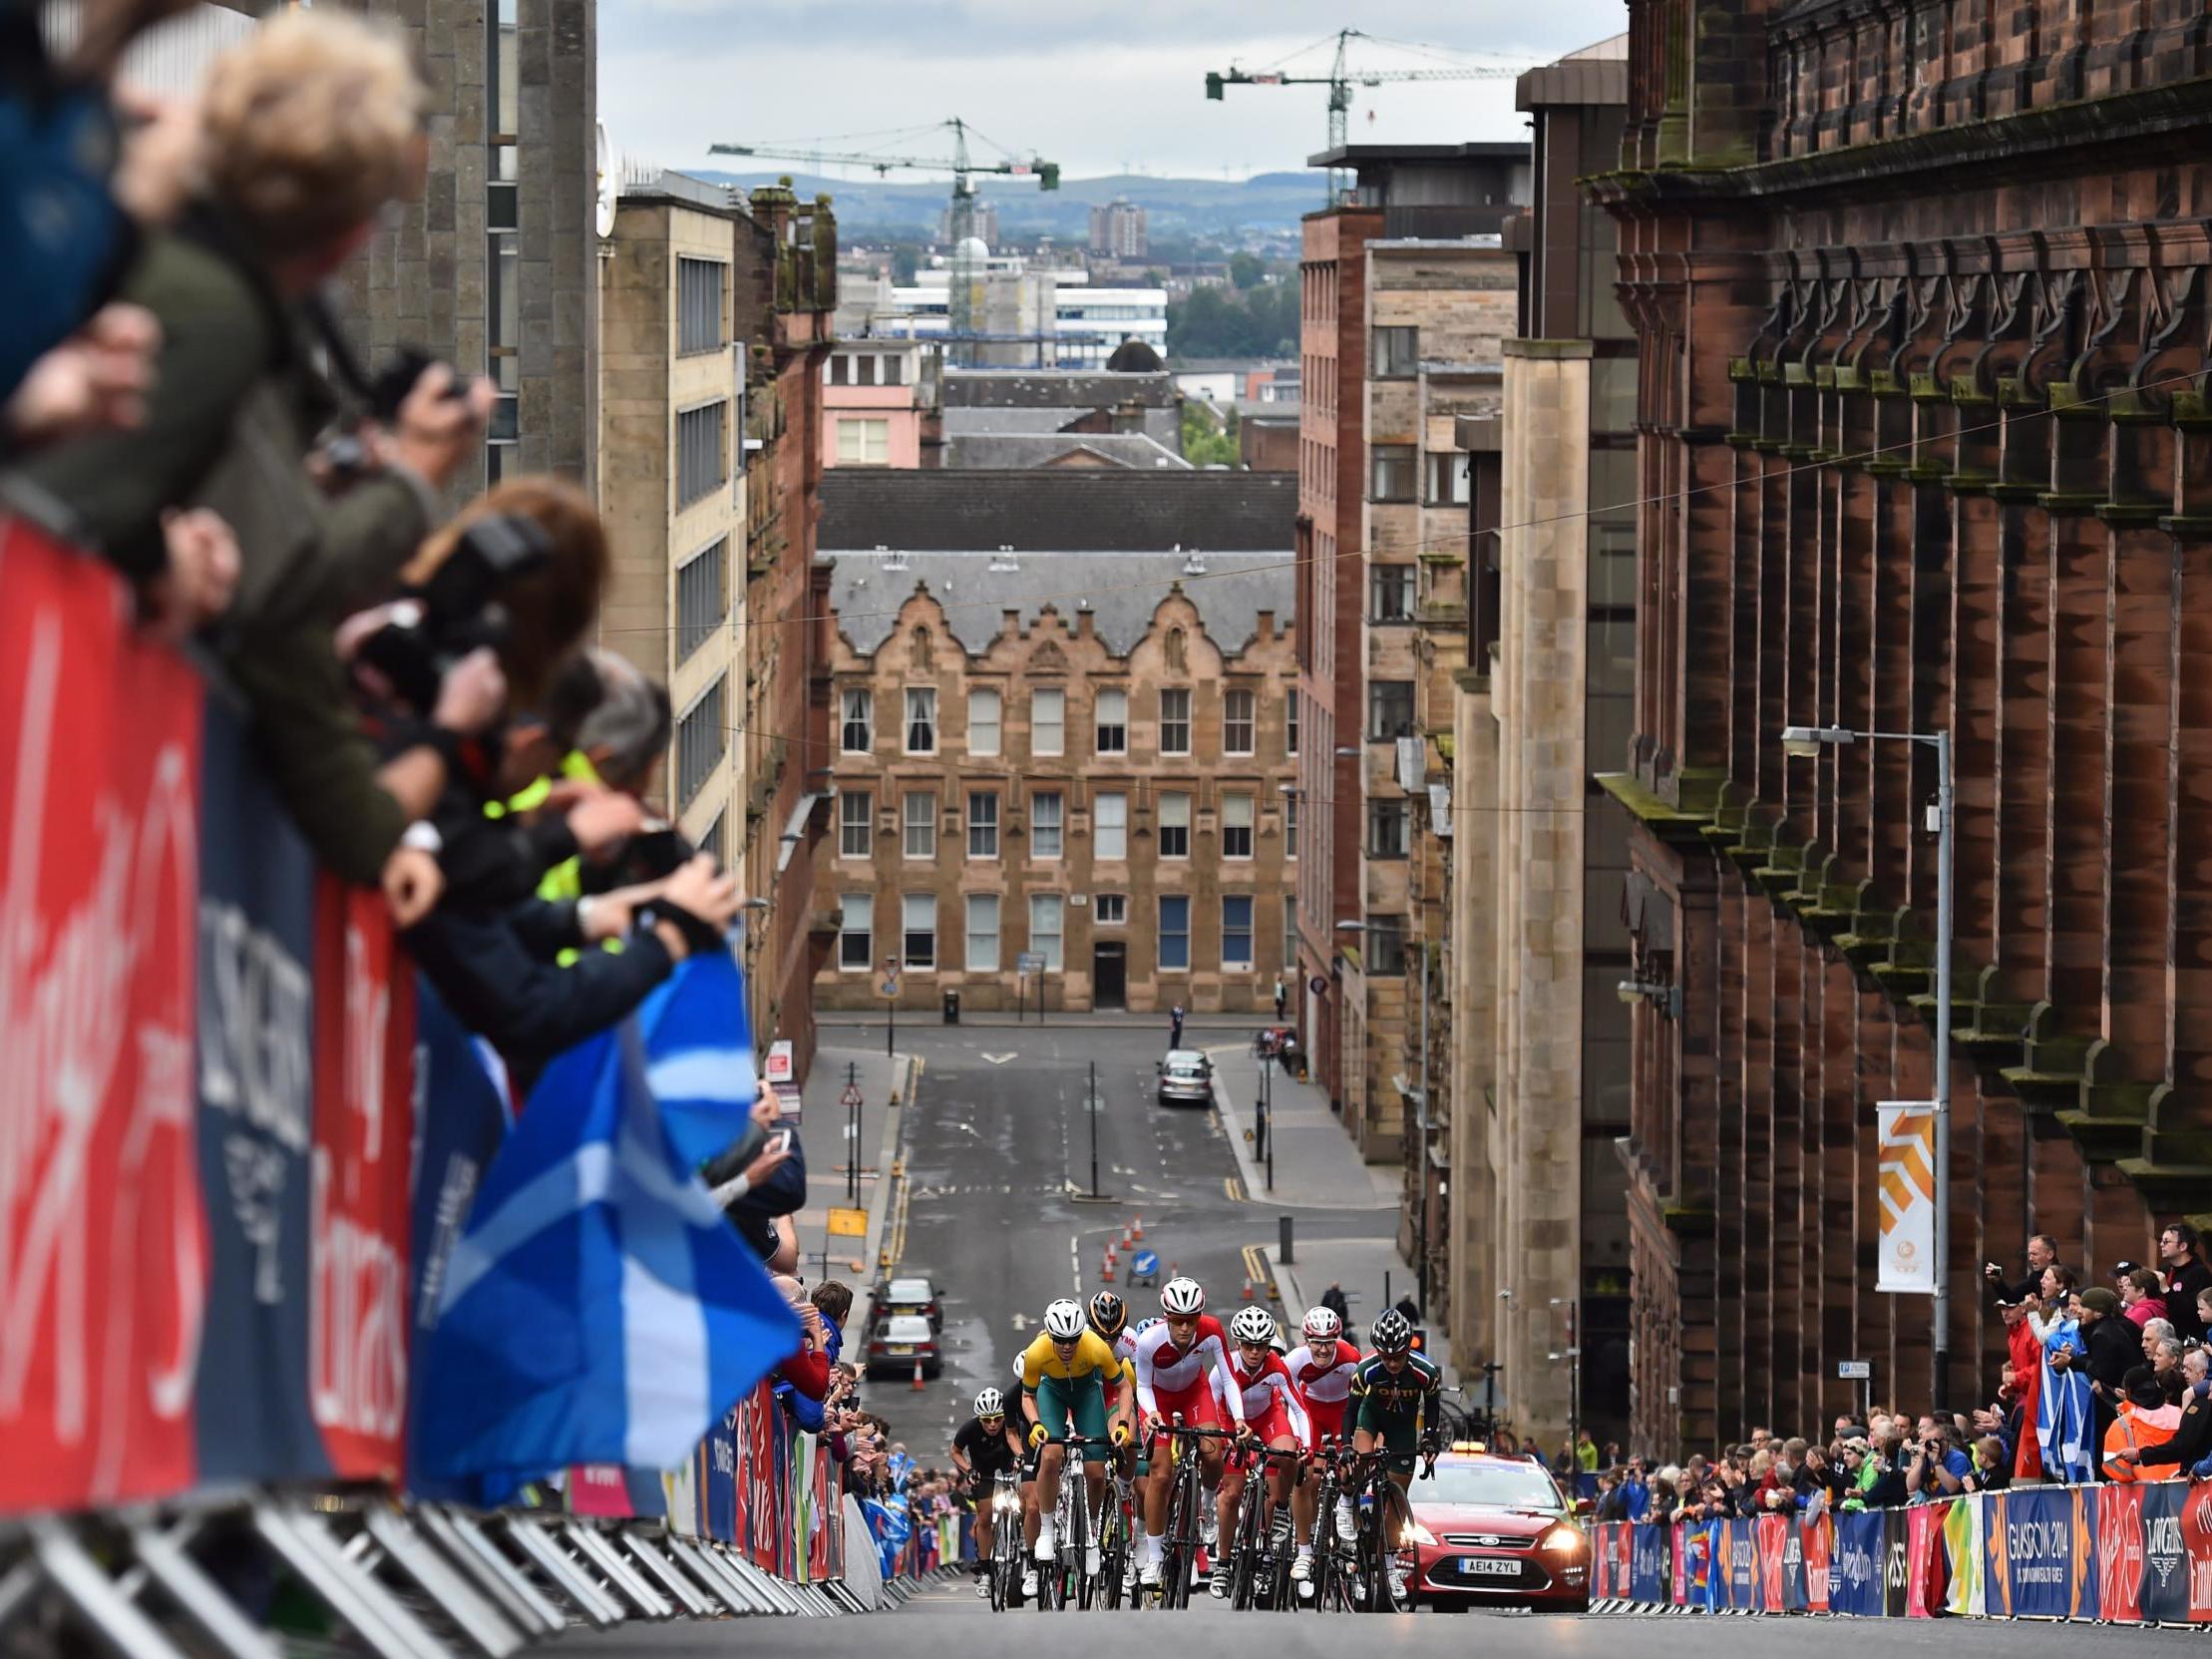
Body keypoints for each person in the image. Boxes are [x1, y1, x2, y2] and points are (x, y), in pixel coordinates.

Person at [1131, 1277, 1246, 1590]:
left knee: (1213, 1449)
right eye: (1178, 1321)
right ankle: (1154, 1558)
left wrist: (1238, 1418)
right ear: (1167, 1317)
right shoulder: (1149, 1342)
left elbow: (1229, 1378)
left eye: (1191, 1321)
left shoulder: (1211, 1332)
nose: (1185, 1328)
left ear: (1199, 1317)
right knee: (1160, 1474)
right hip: (1158, 1399)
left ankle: (1207, 1504)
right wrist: (1152, 1413)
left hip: (1195, 1393)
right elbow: (1141, 1385)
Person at [1016, 1298, 1132, 1599]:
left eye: (1072, 1340)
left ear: (1081, 1334)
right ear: (1050, 1336)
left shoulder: (1095, 1346)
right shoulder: (1037, 1352)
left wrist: (1121, 1425)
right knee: (1052, 1454)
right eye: (1060, 1341)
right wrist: (1036, 1424)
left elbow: (1123, 1387)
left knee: (1096, 1471)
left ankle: (1091, 1533)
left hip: (1086, 1395)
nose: (1067, 1347)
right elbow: (1027, 1397)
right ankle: (1046, 1530)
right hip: (1051, 1393)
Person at [1214, 1306, 1310, 1597]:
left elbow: (1299, 1409)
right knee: (1231, 1494)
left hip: (1267, 1418)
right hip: (1231, 1420)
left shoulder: (1277, 1368)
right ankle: (1223, 1563)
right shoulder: (1224, 1369)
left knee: (1288, 1453)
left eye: (1261, 1346)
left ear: (1269, 1346)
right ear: (1237, 1343)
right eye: (1247, 1345)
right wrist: (1224, 1436)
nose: (1254, 1352)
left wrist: (1305, 1443)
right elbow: (1211, 1405)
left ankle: (1282, 1508)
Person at [1345, 1307, 1440, 1603]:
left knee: (1397, 1500)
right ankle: (1348, 1503)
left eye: (1397, 1356)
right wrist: (1348, 1446)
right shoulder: (1366, 1370)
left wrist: (1428, 1440)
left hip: (1401, 1427)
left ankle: (1389, 1567)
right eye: (1386, 1357)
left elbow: (1433, 1410)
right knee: (1359, 1458)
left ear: (1407, 1348)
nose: (1392, 1363)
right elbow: (1350, 1411)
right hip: (1371, 1417)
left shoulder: (1426, 1372)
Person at [1284, 1304, 1358, 1584]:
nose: (1323, 1350)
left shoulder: (1351, 1357)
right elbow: (1291, 1403)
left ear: (1336, 1340)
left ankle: (1347, 1508)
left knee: (1351, 1467)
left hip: (1341, 1410)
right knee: (1306, 1477)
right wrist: (1300, 1441)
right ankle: (1304, 1550)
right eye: (1317, 1343)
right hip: (1309, 1410)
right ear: (1307, 1341)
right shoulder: (1294, 1360)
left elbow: (1357, 1404)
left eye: (1329, 1343)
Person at [950, 1389, 1020, 1593]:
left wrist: (1021, 1460)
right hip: (983, 1472)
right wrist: (968, 1470)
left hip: (1009, 1467)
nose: (992, 1424)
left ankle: (1023, 1547)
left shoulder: (1012, 1424)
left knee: (1025, 1502)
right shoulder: (970, 1428)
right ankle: (986, 1571)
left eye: (997, 1419)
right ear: (979, 1418)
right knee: (985, 1517)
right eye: (987, 1420)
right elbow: (954, 1452)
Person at [2109, 1346, 2212, 1478]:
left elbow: (2182, 1445)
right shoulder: (2185, 1408)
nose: (2184, 1373)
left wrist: (2140, 1454)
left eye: (2189, 1369)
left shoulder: (2200, 1406)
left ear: (2204, 1373)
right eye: (2183, 1368)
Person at [2038, 1291, 2095, 1483]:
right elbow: (2051, 1340)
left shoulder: (2081, 1329)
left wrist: (2075, 1353)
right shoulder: (2069, 1328)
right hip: (2071, 1401)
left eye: (2076, 1304)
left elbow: (2048, 1338)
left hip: (2087, 1397)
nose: (2071, 1308)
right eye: (2069, 1304)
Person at [2100, 1368, 2181, 1482]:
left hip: (2144, 1494)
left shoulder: (2122, 1425)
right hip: (2185, 1490)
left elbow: (2112, 1465)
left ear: (2128, 1391)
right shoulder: (2180, 1414)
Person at [2160, 1223, 2212, 1345]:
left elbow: (2195, 1310)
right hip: (2168, 1339)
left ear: (2183, 1246)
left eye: (2166, 1241)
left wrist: (2167, 1291)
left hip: (2192, 1341)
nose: (2161, 1245)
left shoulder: (2199, 1273)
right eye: (2162, 1241)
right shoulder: (2166, 1269)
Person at [1985, 1233, 2058, 1307]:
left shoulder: (2065, 1276)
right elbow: (2011, 1298)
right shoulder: (2035, 1277)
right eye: (2030, 1254)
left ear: (2050, 1254)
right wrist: (1997, 1281)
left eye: (2035, 1254)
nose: (2030, 1259)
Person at [2120, 1267, 2168, 1331]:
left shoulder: (2143, 1311)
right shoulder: (2150, 1307)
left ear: (2141, 1291)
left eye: (2129, 1285)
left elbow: (2119, 1334)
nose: (2124, 1288)